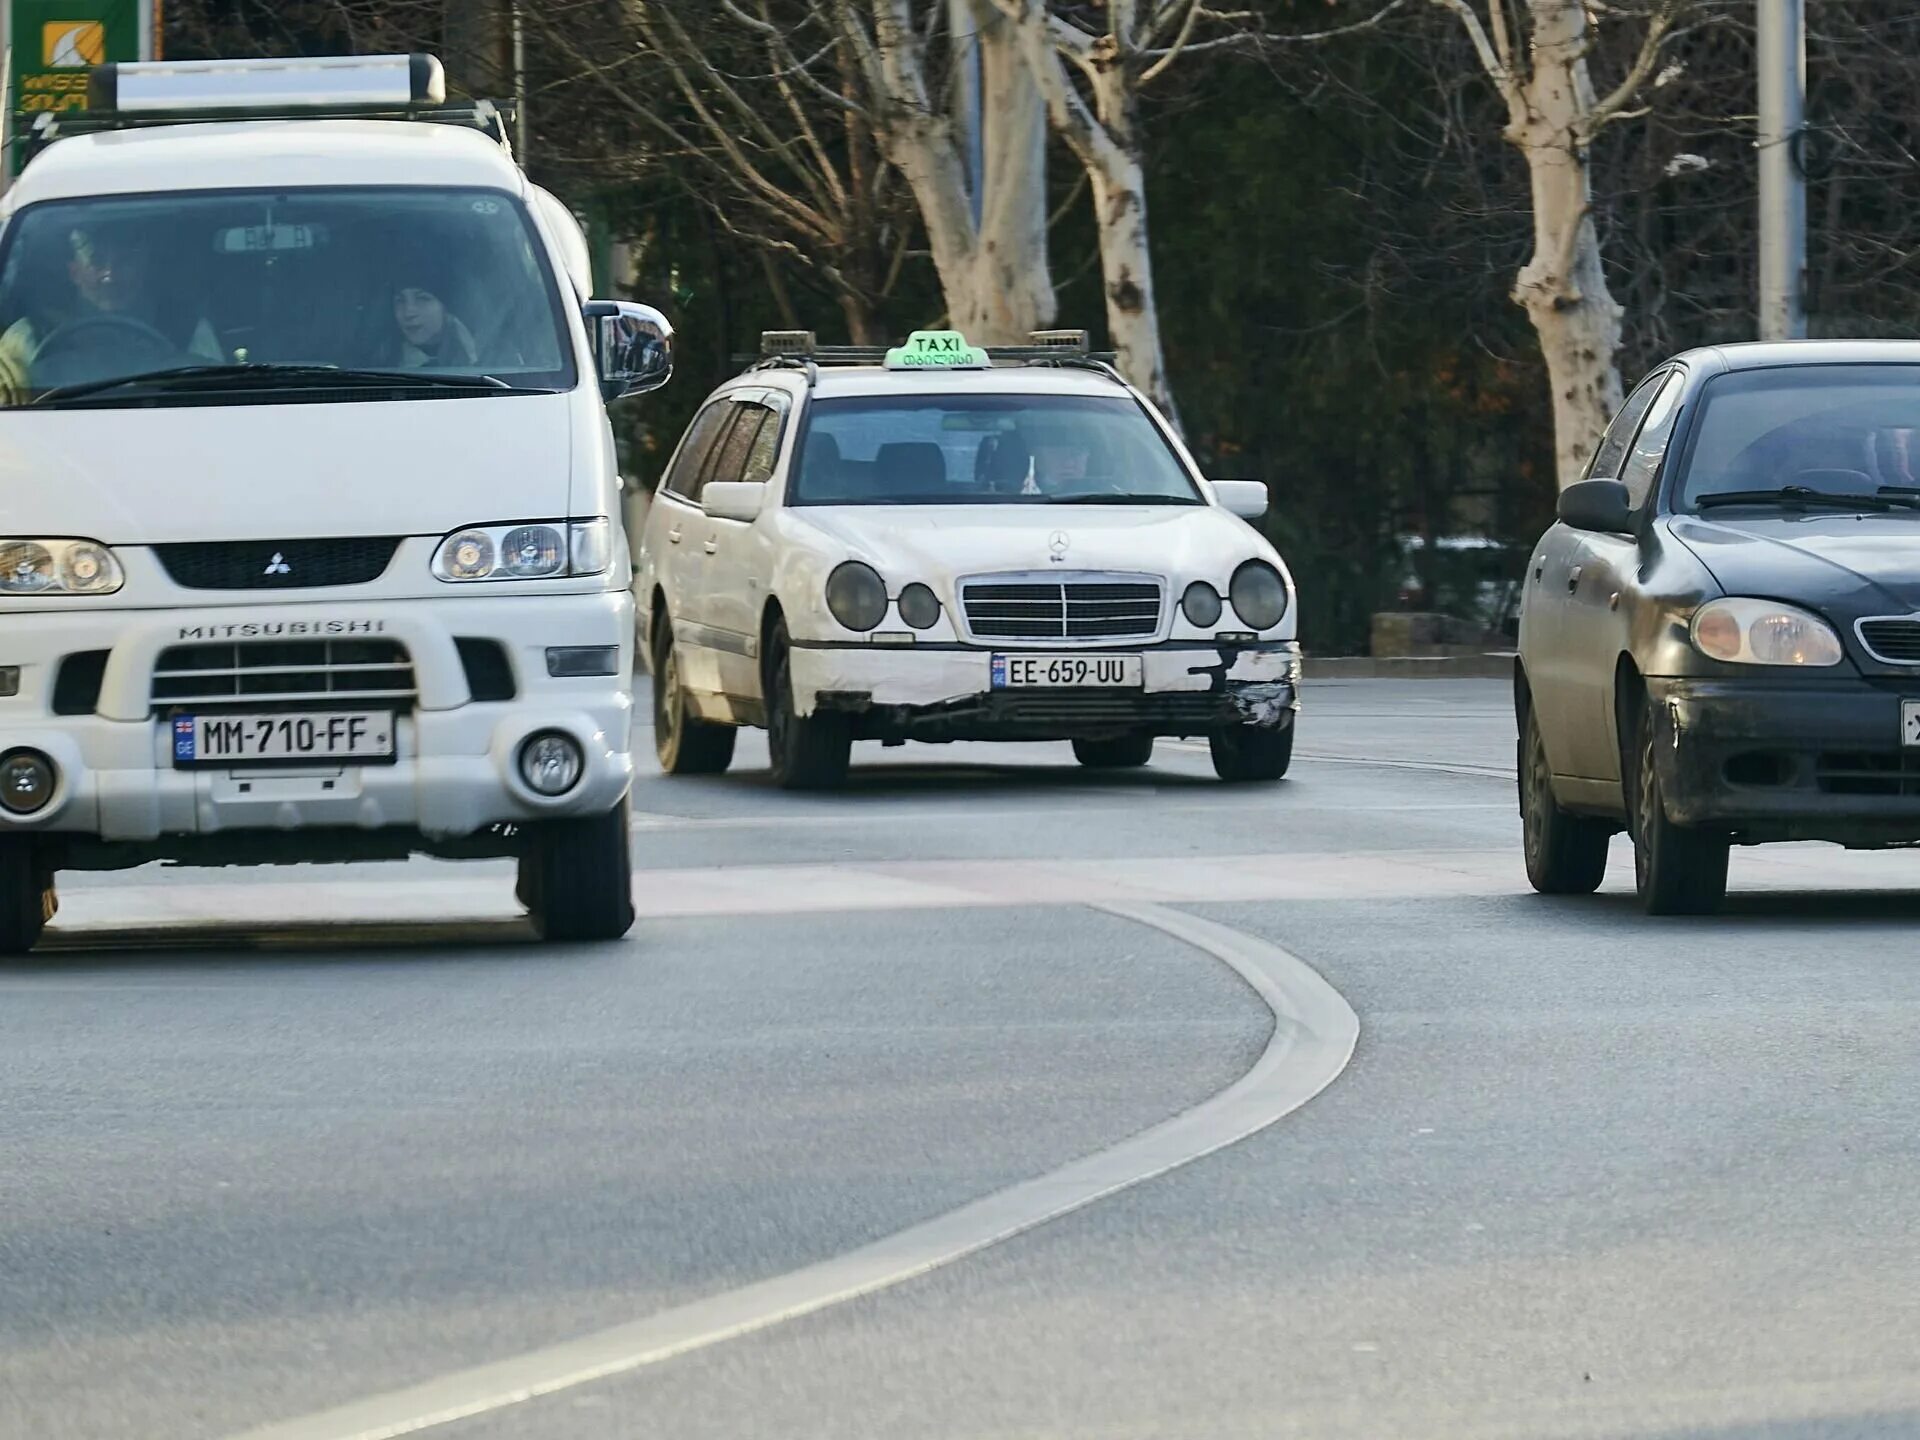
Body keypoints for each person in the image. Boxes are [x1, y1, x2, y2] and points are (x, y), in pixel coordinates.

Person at [0, 224, 222, 402]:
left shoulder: (187, 328)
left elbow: (216, 396)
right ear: (74, 271)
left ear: (142, 266)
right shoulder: (29, 335)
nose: (110, 276)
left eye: (124, 262)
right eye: (96, 261)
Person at [390, 253, 479, 369]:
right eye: (400, 300)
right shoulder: (380, 364)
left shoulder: (490, 354)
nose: (408, 313)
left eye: (422, 298)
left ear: (445, 307)